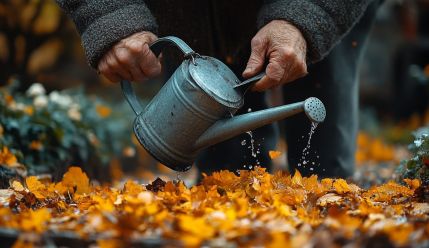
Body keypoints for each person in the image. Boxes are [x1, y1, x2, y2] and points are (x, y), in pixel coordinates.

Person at [56, 0, 383, 178]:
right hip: (186, 14)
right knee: (227, 169)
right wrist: (110, 14)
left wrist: (306, 15)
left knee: (323, 167)